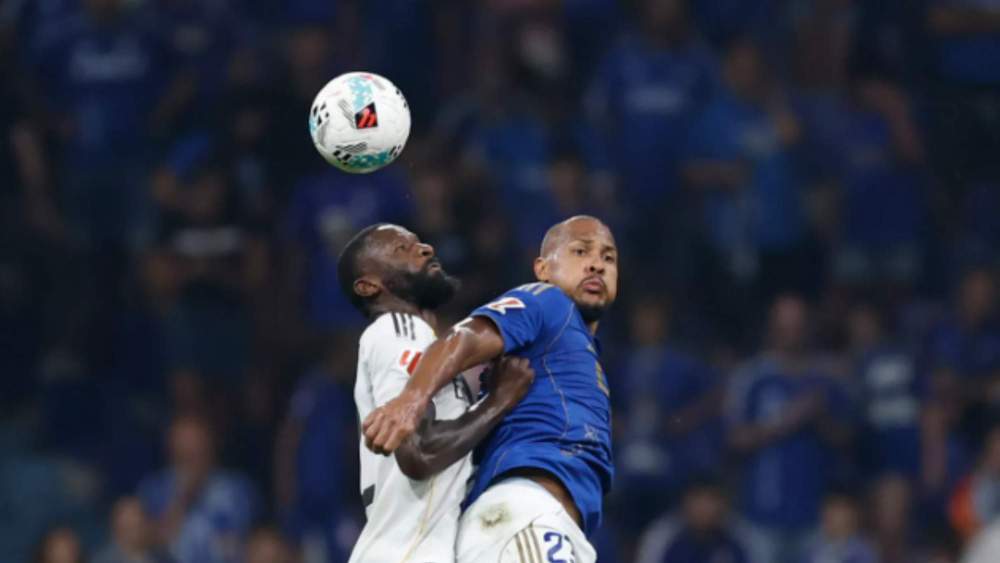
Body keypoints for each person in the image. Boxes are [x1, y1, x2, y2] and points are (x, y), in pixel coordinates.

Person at [363, 215, 619, 563]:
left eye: (608, 257)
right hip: (526, 515)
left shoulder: (575, 346)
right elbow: (465, 337)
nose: (596, 265)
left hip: (546, 526)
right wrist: (411, 400)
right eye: (580, 251)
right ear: (542, 269)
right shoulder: (546, 301)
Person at [336, 223, 536, 562]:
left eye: (421, 242)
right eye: (402, 249)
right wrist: (498, 402)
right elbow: (418, 453)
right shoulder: (397, 329)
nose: (426, 248)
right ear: (369, 286)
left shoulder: (423, 348)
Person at [93, 497, 175, 563]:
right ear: (116, 529)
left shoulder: (162, 557)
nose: (137, 532)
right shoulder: (104, 560)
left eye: (140, 524)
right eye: (130, 527)